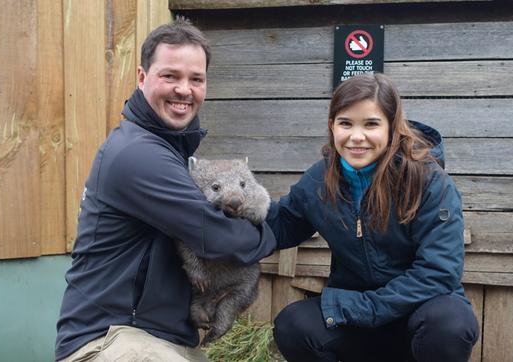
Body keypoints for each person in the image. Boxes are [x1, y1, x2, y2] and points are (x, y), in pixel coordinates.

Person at [54, 19, 276, 362]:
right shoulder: (139, 154)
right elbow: (219, 237)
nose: (184, 89)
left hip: (155, 336)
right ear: (142, 78)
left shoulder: (169, 150)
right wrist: (272, 234)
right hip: (109, 338)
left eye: (196, 79)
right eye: (170, 76)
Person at [267, 74, 479, 362]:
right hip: (358, 317)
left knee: (451, 324)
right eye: (345, 123)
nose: (356, 136)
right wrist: (215, 218)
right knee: (294, 326)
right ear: (332, 126)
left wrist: (363, 307)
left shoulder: (429, 183)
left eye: (371, 124)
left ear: (392, 127)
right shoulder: (319, 180)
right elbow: (279, 225)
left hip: (418, 313)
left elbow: (438, 273)